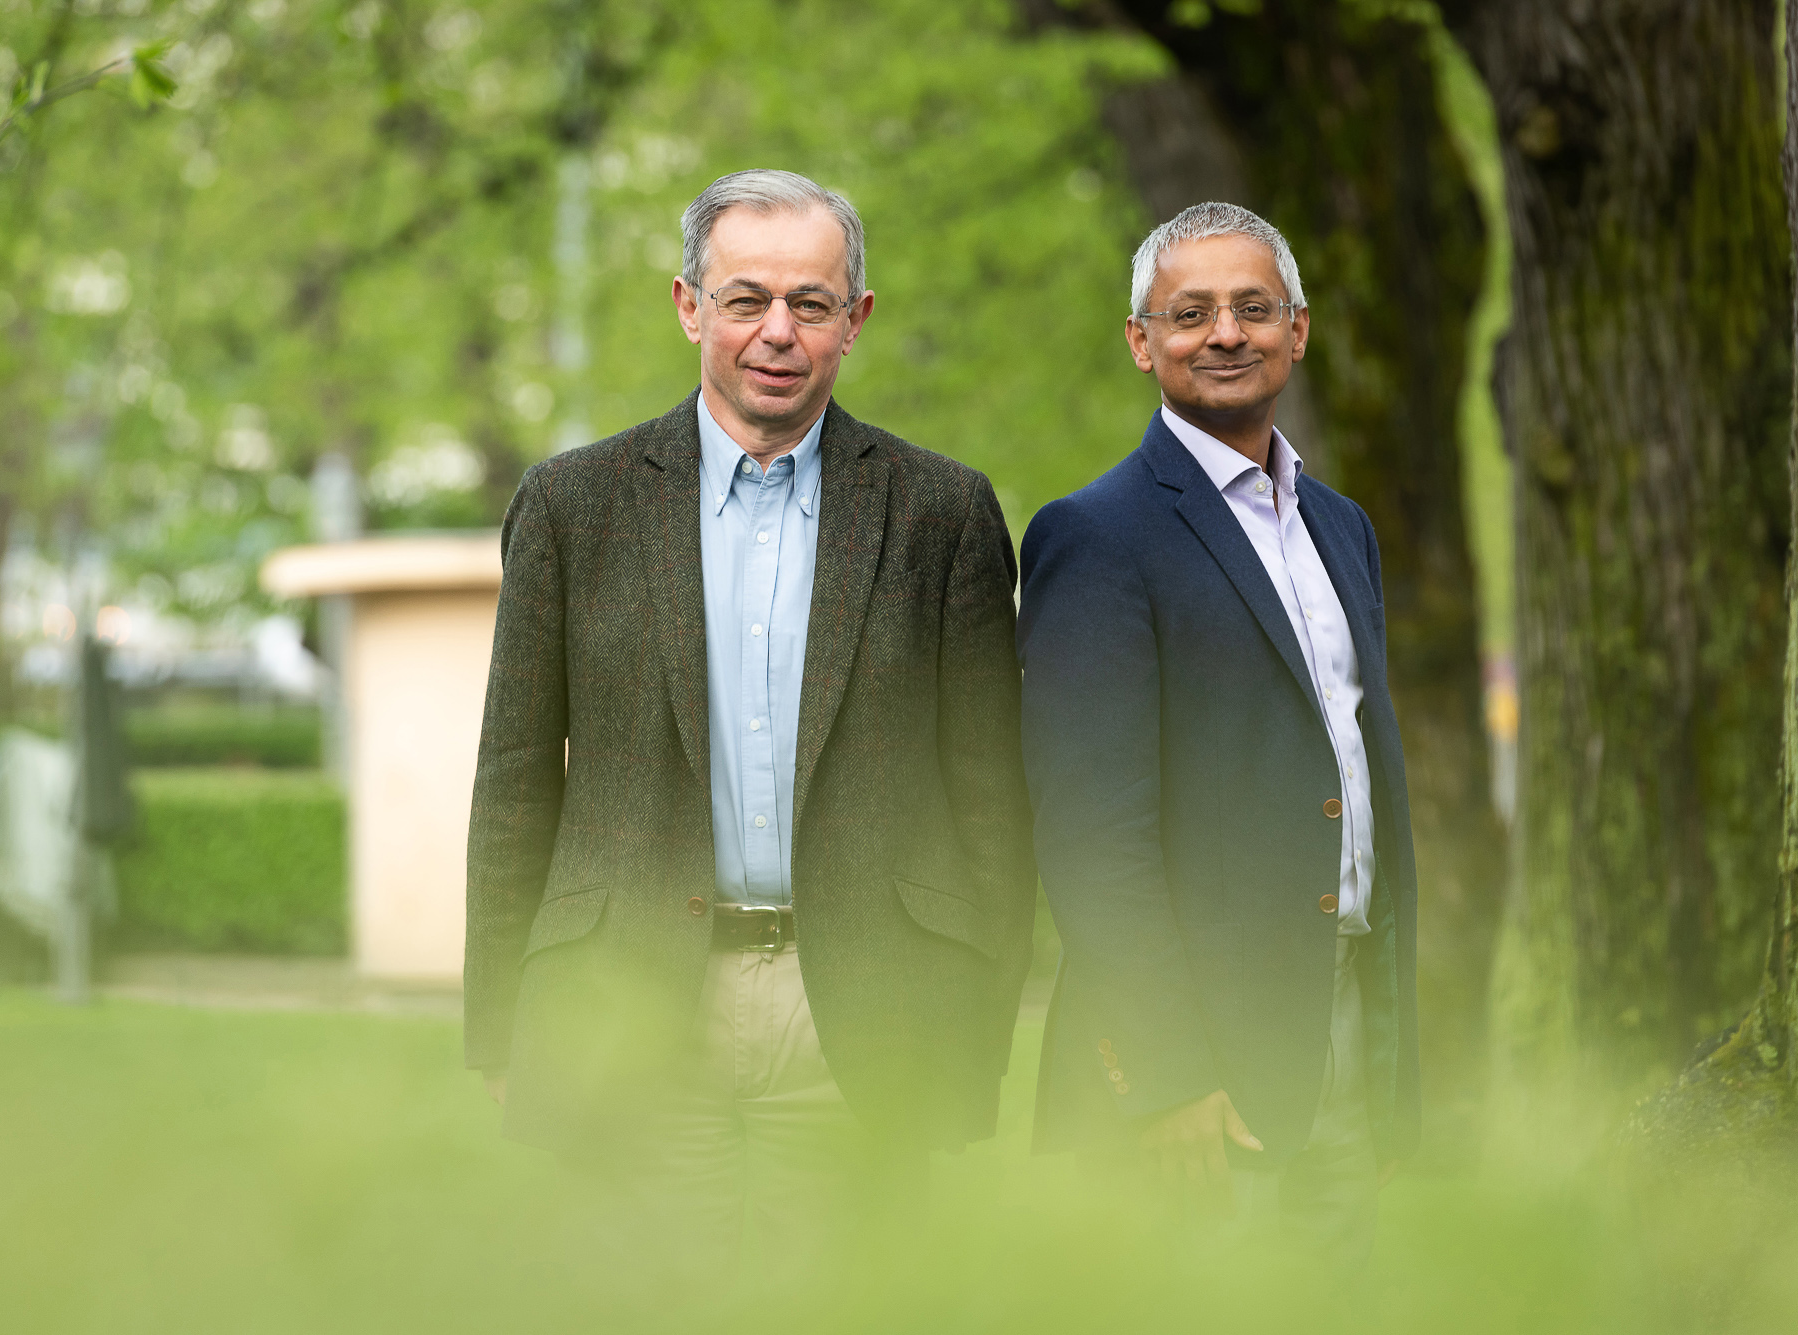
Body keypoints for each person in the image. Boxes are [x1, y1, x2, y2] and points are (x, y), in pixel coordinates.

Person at [463, 169, 1037, 1262]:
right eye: (745, 299)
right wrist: (500, 1027)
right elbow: (515, 781)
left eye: (810, 304)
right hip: (629, 1009)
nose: (776, 331)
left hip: (864, 1021)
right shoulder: (570, 506)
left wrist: (971, 1029)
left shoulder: (940, 514)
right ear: (690, 306)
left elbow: (992, 801)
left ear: (853, 320)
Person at [1017, 201, 1418, 1265]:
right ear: (1140, 342)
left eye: (1252, 307)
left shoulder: (1341, 528)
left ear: (1298, 329)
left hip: (1333, 1031)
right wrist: (1165, 1073)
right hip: (1195, 1064)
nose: (1224, 333)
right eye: (1188, 312)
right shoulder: (1092, 537)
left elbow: (1356, 777)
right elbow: (1089, 831)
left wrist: (1381, 1067)